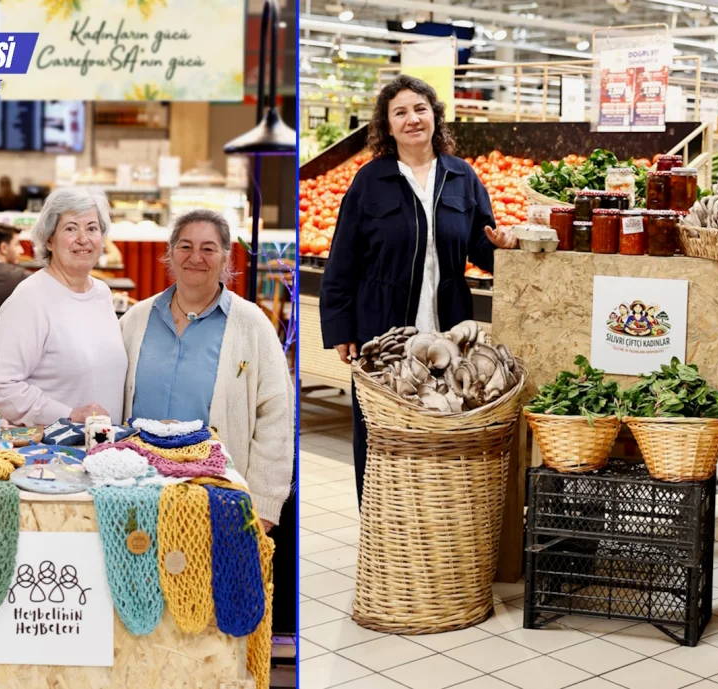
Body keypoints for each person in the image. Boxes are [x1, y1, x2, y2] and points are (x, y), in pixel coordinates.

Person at [319, 74, 518, 502]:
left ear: (435, 116)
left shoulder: (461, 176)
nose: (413, 119)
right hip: (382, 328)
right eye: (401, 112)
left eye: (420, 109)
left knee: (442, 427)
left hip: (447, 331)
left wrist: (505, 247)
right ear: (387, 126)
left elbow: (481, 247)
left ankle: (436, 524)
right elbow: (343, 258)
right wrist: (341, 329)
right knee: (381, 434)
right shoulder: (369, 181)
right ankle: (380, 521)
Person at [119, 210, 293, 530]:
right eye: (185, 246)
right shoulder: (136, 319)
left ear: (226, 257)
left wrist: (264, 503)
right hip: (135, 491)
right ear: (170, 253)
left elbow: (276, 415)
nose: (195, 257)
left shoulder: (251, 325)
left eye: (208, 248)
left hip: (218, 498)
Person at [0, 188, 126, 427]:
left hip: (105, 449)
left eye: (91, 228)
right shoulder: (30, 298)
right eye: (70, 228)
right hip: (55, 454)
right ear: (49, 239)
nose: (83, 238)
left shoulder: (102, 293)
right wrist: (68, 414)